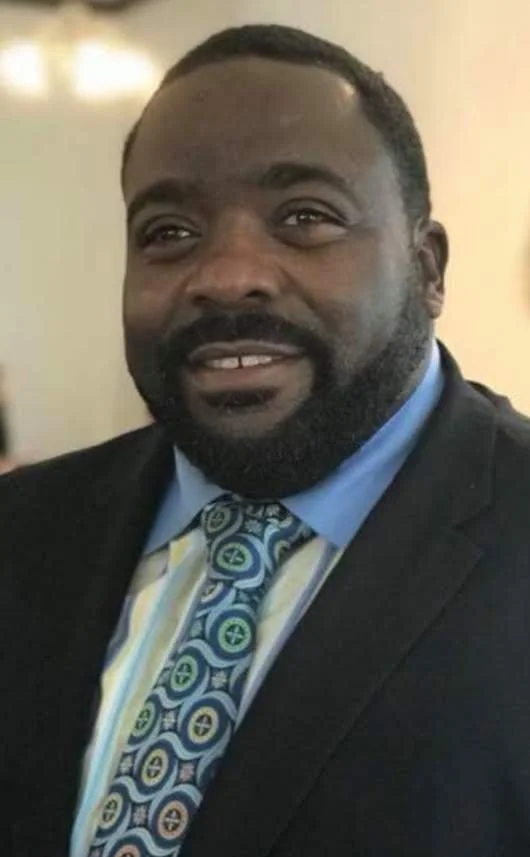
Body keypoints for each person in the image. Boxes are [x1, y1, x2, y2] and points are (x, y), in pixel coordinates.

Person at [1, 24, 530, 857]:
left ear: (428, 268)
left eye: (305, 216)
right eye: (169, 231)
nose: (225, 274)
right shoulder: (22, 527)